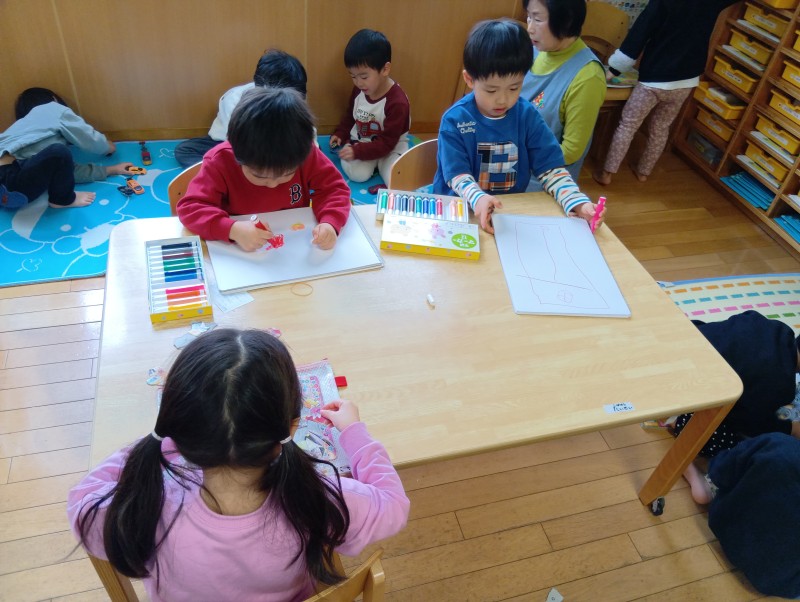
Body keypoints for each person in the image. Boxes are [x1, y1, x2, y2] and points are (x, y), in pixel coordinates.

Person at [67, 328, 410, 602]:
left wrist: (164, 437)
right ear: (292, 427)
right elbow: (394, 505)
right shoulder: (317, 498)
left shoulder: (146, 507)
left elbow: (81, 502)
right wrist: (354, 433)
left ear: (177, 426)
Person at [433, 18, 604, 234]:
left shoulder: (527, 116)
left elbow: (551, 169)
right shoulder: (456, 120)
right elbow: (457, 175)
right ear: (469, 79)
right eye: (491, 90)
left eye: (514, 88)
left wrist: (577, 202)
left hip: (507, 212)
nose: (502, 100)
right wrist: (479, 198)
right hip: (459, 212)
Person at [177, 86, 351, 252]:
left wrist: (330, 222)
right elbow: (191, 208)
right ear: (237, 154)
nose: (273, 184)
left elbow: (334, 189)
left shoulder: (303, 152)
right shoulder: (220, 161)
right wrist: (232, 229)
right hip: (239, 253)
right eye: (259, 176)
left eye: (287, 174)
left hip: (293, 244)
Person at [593, 0, 740, 186]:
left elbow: (638, 35)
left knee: (628, 125)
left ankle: (607, 173)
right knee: (661, 128)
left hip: (653, 79)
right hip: (686, 81)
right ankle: (643, 172)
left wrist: (614, 69)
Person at [684, 433, 800, 599]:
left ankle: (706, 483)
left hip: (726, 525)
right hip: (782, 582)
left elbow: (722, 467)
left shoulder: (780, 446)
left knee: (768, 454)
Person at [0, 87, 135, 209]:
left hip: (10, 190)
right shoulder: (52, 108)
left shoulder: (19, 132)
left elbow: (66, 174)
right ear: (54, 99)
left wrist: (112, 170)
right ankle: (61, 200)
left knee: (59, 155)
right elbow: (88, 137)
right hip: (11, 182)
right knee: (58, 151)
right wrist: (106, 147)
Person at [174, 49, 311, 168]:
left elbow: (306, 131)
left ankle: (267, 169)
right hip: (237, 143)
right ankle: (233, 173)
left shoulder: (296, 98)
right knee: (185, 150)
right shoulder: (234, 100)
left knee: (314, 152)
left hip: (282, 143)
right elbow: (237, 140)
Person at [521, 0, 607, 188]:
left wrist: (514, 153)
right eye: (529, 16)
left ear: (566, 21)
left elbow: (571, 151)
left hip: (542, 178)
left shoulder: (588, 77)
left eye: (537, 19)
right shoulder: (535, 49)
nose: (530, 28)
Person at [330, 29, 410, 185]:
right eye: (353, 76)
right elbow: (350, 117)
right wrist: (341, 133)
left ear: (385, 69)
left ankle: (381, 165)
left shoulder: (397, 103)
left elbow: (387, 143)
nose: (358, 83)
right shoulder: (359, 90)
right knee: (358, 175)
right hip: (363, 143)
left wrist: (356, 152)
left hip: (391, 147)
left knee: (396, 180)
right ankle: (371, 164)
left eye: (364, 76)